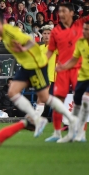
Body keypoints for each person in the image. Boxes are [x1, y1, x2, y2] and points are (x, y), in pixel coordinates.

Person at [0, 11, 77, 139]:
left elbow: (30, 42)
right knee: (13, 92)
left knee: (44, 98)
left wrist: (23, 49)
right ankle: (39, 119)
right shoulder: (4, 35)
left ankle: (68, 119)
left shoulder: (10, 32)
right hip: (27, 66)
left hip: (36, 66)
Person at [46, 3, 89, 143]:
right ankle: (57, 133)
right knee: (57, 101)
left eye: (64, 11)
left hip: (79, 70)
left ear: (71, 12)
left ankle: (81, 133)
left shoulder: (80, 25)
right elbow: (49, 52)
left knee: (83, 101)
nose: (61, 14)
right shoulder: (55, 31)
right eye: (60, 11)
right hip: (63, 70)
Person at [55, 21, 89, 142]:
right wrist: (63, 67)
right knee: (77, 104)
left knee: (86, 99)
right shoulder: (80, 42)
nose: (84, 32)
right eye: (84, 29)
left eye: (87, 30)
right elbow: (74, 59)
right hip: (83, 77)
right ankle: (71, 134)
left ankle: (81, 133)